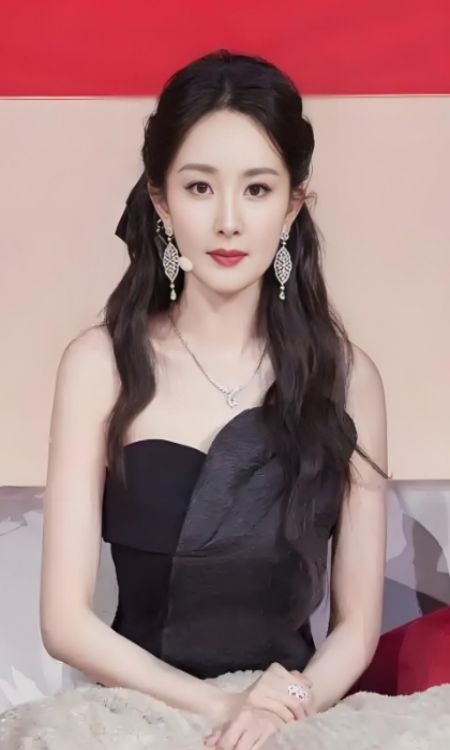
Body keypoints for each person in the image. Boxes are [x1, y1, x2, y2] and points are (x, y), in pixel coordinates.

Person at [40, 49, 389, 750]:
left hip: (292, 715)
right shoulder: (98, 366)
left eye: (257, 189)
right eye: (200, 187)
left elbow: (356, 627)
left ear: (292, 206)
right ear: (162, 202)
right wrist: (218, 706)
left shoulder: (347, 378)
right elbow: (65, 623)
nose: (229, 221)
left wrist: (283, 709)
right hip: (141, 712)